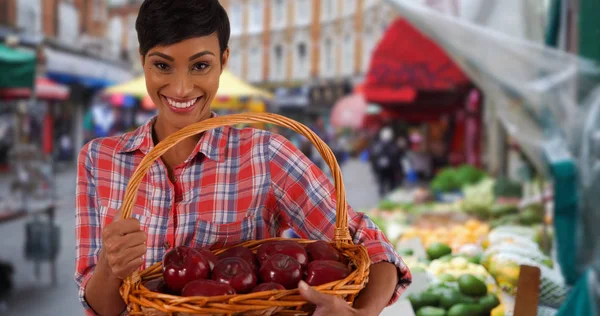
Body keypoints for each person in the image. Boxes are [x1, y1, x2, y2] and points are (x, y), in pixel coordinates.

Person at [74, 1, 410, 315]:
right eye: (162, 65)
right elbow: (101, 307)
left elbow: (372, 246)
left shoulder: (265, 155)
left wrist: (362, 313)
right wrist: (110, 266)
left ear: (224, 61)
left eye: (200, 66)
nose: (180, 88)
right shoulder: (99, 160)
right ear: (142, 61)